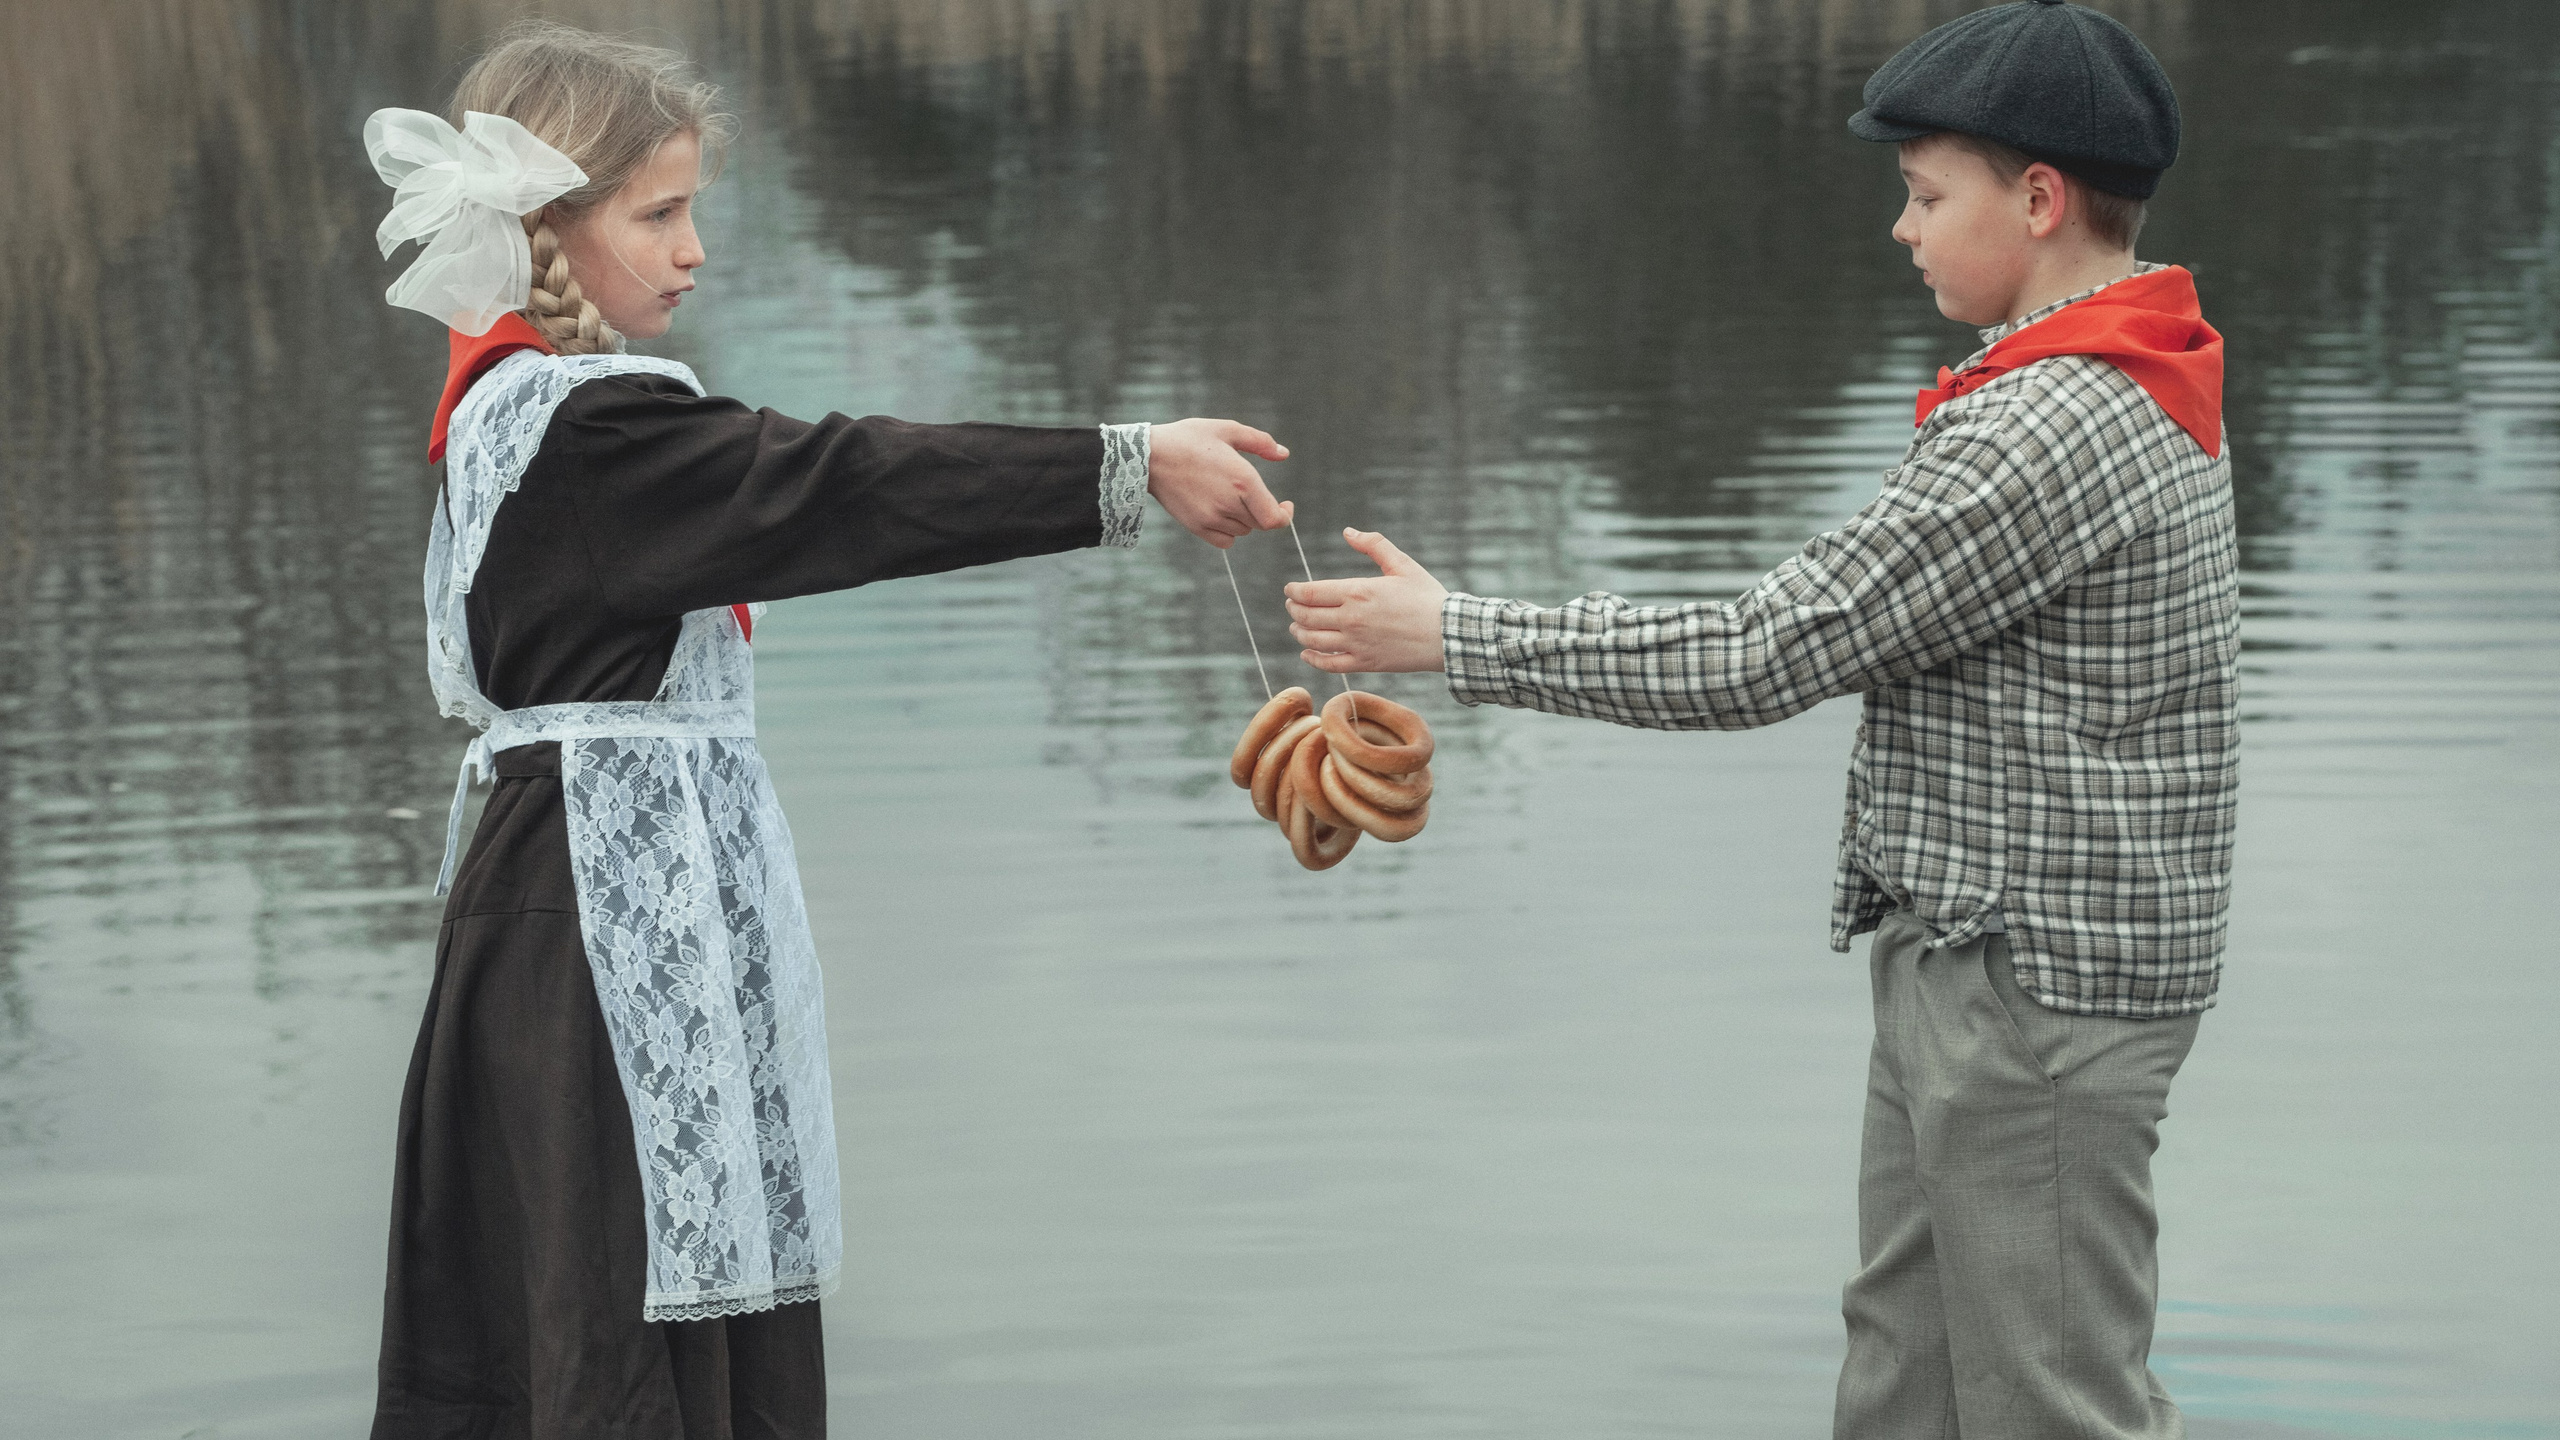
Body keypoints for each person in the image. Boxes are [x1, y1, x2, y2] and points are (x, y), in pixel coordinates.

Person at [1283, 3, 2230, 1435]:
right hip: (1970, 964)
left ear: (2038, 201)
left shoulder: (2057, 424)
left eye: (1925, 196)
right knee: (1901, 1386)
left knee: (2052, 1407)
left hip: (2032, 997)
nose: (1901, 231)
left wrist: (1457, 634)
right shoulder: (2101, 372)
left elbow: (1764, 651)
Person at [364, 22, 1292, 1440]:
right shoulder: (590, 435)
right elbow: (843, 487)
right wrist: (1129, 464)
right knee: (621, 1344)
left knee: (589, 1333)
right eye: (659, 214)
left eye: (694, 212)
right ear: (550, 223)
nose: (691, 249)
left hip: (560, 913)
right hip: (595, 951)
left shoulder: (511, 414)